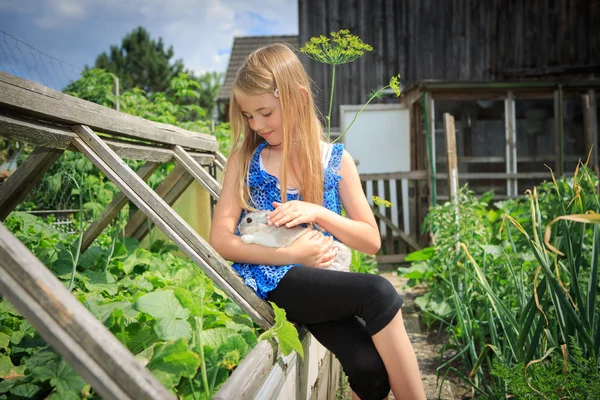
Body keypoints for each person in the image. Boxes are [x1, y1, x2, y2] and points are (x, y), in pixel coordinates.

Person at [209, 43, 426, 400]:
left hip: (321, 287)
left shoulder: (336, 161)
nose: (257, 124)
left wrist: (319, 213)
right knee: (378, 292)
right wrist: (292, 255)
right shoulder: (245, 160)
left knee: (370, 371)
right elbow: (220, 239)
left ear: (297, 97)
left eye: (264, 112)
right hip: (272, 281)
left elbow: (371, 241)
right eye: (249, 116)